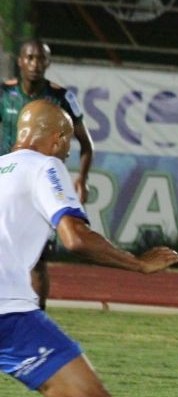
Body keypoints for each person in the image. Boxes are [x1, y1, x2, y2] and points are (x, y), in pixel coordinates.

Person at [0, 100, 178, 397]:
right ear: (58, 138)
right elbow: (74, 237)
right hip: (6, 311)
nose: (66, 151)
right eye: (66, 142)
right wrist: (138, 263)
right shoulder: (44, 168)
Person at [2, 39, 96, 311]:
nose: (35, 64)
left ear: (48, 63)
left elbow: (86, 144)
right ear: (19, 61)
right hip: (8, 183)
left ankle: (37, 314)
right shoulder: (3, 94)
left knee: (39, 258)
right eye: (30, 58)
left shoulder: (61, 97)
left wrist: (82, 179)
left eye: (41, 59)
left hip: (40, 184)